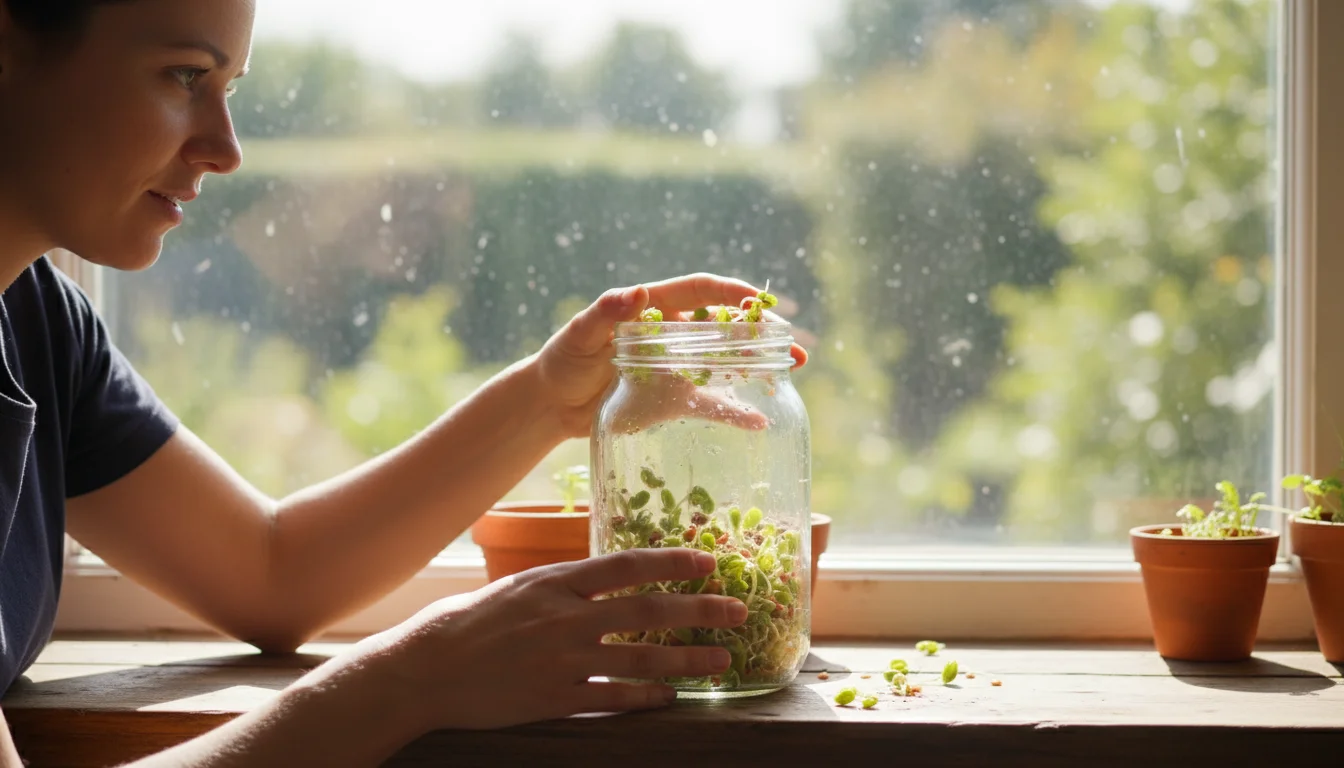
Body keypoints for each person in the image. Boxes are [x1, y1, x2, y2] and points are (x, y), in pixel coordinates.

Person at [0, 0, 808, 765]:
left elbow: (272, 575)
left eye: (230, 87)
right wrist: (408, 682)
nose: (226, 147)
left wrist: (550, 401)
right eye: (184, 75)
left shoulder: (38, 320)